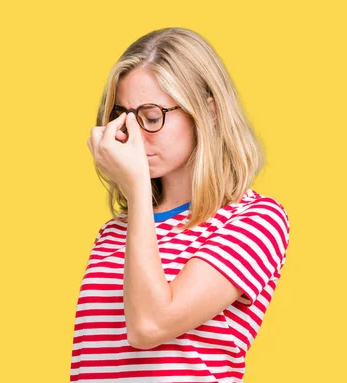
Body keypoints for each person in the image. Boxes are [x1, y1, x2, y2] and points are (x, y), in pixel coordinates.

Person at [72, 27, 290, 382]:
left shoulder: (255, 220)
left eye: (152, 116)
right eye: (124, 117)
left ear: (210, 111)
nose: (135, 136)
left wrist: (138, 188)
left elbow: (149, 326)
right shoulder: (114, 234)